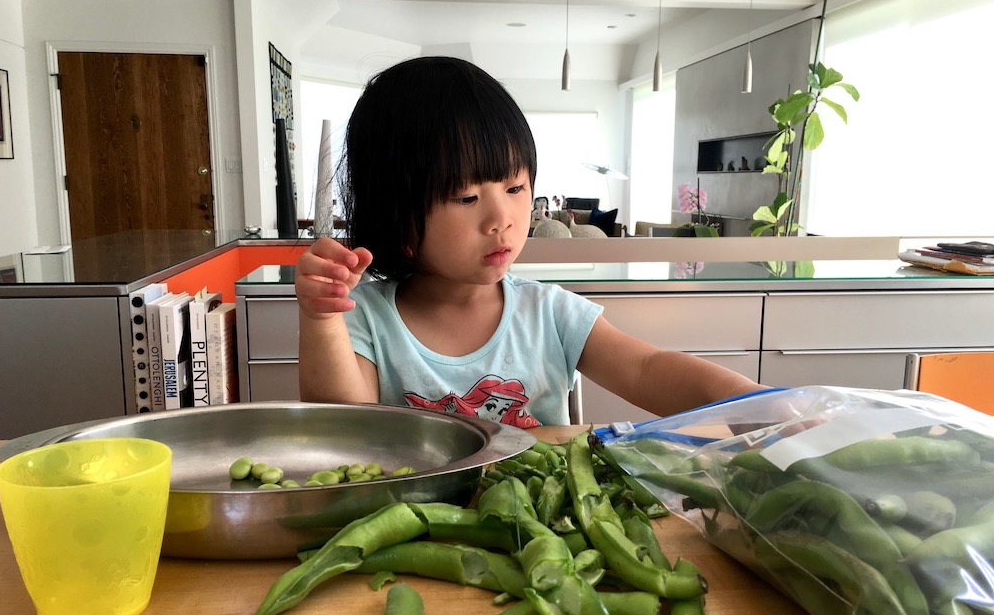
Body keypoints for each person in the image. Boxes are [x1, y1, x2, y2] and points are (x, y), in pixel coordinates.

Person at [295, 56, 763, 428]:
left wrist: (753, 403)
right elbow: (344, 421)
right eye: (466, 197)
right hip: (419, 532)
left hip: (541, 537)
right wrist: (321, 318)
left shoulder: (549, 313)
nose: (502, 219)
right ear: (397, 214)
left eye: (515, 189)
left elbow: (646, 370)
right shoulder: (367, 319)